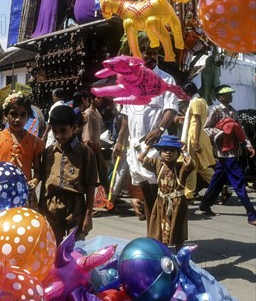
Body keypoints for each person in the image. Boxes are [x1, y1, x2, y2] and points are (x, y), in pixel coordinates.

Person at [113, 34, 178, 223]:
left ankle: (159, 233)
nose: (151, 57)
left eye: (155, 53)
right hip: (135, 147)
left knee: (158, 191)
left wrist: (159, 129)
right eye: (147, 53)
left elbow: (171, 109)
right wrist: (119, 141)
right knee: (144, 192)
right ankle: (154, 232)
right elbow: (126, 116)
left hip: (155, 148)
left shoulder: (167, 80)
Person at [38, 105, 97, 244]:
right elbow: (44, 183)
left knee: (75, 248)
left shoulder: (85, 153)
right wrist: (40, 210)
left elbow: (90, 185)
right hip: (51, 206)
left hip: (75, 207)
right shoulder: (48, 153)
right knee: (51, 245)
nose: (59, 136)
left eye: (63, 131)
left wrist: (88, 215)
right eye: (55, 131)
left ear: (74, 127)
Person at [199, 85, 256, 225]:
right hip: (225, 152)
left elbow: (240, 130)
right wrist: (222, 132)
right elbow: (206, 128)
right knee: (239, 182)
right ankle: (252, 215)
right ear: (219, 97)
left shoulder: (232, 111)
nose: (231, 96)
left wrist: (248, 145)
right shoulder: (216, 110)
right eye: (227, 94)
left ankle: (204, 205)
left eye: (231, 93)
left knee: (216, 182)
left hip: (233, 151)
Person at [0, 92, 44, 208]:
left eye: (23, 115)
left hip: (23, 196)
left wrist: (34, 182)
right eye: (13, 114)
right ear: (5, 115)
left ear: (28, 118)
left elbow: (38, 172)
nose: (18, 119)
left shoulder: (36, 143)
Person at [138, 135, 195, 252]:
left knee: (178, 230)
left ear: (177, 153)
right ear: (160, 152)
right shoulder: (157, 164)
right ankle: (162, 253)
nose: (168, 153)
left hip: (177, 203)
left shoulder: (181, 167)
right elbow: (140, 157)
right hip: (161, 202)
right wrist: (149, 146)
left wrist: (184, 151)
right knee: (159, 229)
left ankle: (179, 254)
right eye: (164, 150)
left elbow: (191, 164)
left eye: (172, 150)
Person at [181, 82, 215, 202]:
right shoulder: (201, 100)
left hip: (195, 137)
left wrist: (195, 141)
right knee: (201, 167)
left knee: (190, 165)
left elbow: (198, 121)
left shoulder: (195, 102)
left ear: (188, 92)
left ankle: (188, 194)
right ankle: (220, 186)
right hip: (198, 136)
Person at [82, 93, 110, 194]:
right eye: (98, 98)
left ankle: (107, 198)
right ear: (91, 99)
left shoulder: (97, 112)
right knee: (92, 177)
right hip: (91, 149)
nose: (100, 100)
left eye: (101, 98)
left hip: (97, 148)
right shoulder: (88, 113)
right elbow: (87, 134)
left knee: (102, 175)